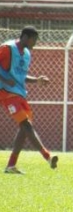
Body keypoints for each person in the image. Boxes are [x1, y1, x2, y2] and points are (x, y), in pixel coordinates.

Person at [0, 26, 58, 174]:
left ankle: (11, 166)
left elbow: (21, 76)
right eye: (34, 39)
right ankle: (47, 156)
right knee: (26, 125)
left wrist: (37, 80)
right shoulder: (7, 48)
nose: (35, 43)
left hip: (20, 94)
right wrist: (5, 80)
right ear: (25, 37)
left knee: (24, 128)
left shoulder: (26, 54)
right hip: (6, 93)